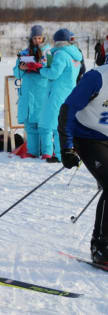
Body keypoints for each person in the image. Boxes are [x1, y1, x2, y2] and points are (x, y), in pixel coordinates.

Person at [58, 64, 108, 265]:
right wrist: (67, 147)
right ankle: (101, 246)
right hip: (87, 137)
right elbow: (67, 110)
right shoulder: (97, 77)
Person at [37, 28, 82, 163]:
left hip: (57, 93)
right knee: (63, 123)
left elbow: (54, 73)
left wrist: (42, 69)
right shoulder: (76, 55)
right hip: (69, 92)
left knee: (53, 124)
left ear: (58, 42)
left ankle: (57, 154)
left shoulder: (61, 54)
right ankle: (61, 153)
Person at [13, 25, 51, 158]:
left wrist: (39, 68)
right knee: (30, 124)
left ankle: (46, 151)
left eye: (39, 37)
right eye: (35, 38)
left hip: (42, 92)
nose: (37, 40)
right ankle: (32, 151)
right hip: (28, 92)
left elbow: (52, 71)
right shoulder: (24, 53)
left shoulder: (49, 52)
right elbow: (16, 73)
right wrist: (22, 68)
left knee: (44, 124)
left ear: (43, 38)